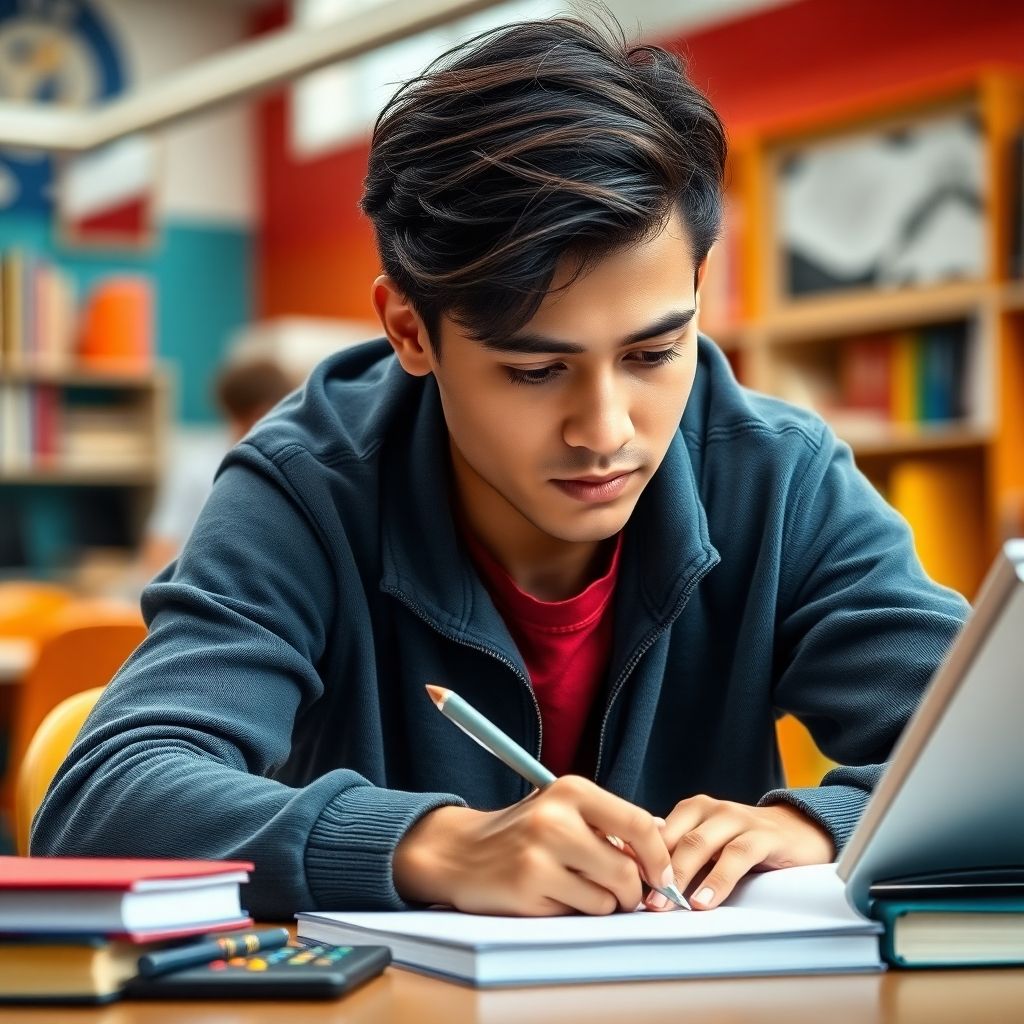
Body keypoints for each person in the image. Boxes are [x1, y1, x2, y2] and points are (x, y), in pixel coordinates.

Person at [33, 17, 968, 920]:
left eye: (653, 355)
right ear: (410, 330)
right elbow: (99, 806)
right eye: (535, 370)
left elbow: (991, 748)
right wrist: (433, 847)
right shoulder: (307, 485)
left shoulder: (777, 477)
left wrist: (823, 819)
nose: (605, 432)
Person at [135, 358, 294, 581]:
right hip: (195, 588)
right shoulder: (199, 464)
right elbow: (160, 544)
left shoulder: (293, 467)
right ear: (259, 412)